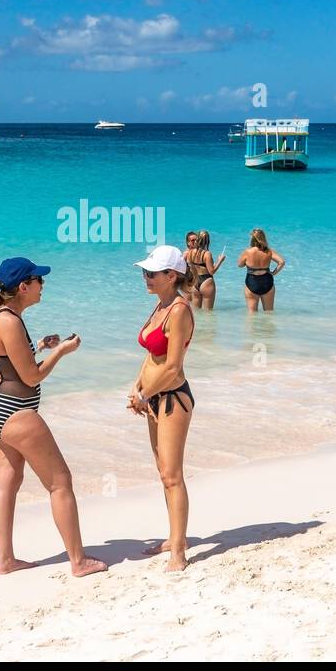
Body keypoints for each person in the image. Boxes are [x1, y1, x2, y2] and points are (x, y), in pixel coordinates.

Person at [0, 257, 107, 578]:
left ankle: (6, 560)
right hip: (14, 413)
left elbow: (10, 362)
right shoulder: (9, 322)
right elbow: (32, 377)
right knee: (60, 482)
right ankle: (78, 562)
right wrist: (60, 351)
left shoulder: (0, 316)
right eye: (39, 280)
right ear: (23, 287)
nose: (42, 285)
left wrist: (37, 346)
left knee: (7, 484)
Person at [128, 245, 196, 572]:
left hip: (173, 400)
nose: (146, 278)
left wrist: (146, 394)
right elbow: (151, 356)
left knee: (173, 475)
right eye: (145, 272)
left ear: (172, 276)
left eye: (152, 273)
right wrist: (137, 386)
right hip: (153, 398)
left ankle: (179, 551)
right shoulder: (160, 306)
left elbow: (172, 367)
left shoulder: (180, 310)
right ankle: (173, 536)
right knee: (162, 473)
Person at [238, 228, 286, 312]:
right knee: (269, 313)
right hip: (267, 281)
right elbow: (281, 262)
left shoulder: (247, 252)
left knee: (252, 316)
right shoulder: (269, 251)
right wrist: (274, 273)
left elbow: (240, 265)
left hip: (252, 282)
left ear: (252, 238)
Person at [184, 229, 225, 310]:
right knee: (208, 313)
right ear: (207, 241)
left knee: (196, 312)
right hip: (206, 281)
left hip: (195, 282)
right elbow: (212, 271)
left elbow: (190, 267)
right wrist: (220, 261)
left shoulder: (190, 252)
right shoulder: (207, 254)